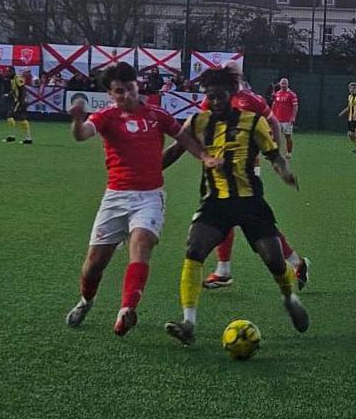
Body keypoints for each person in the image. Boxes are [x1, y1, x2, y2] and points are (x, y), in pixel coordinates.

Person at [64, 62, 218, 337]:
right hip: (115, 197)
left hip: (149, 197)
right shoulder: (106, 116)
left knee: (141, 244)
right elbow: (82, 134)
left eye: (130, 88)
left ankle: (126, 310)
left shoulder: (157, 115)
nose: (126, 95)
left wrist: (205, 157)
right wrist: (76, 119)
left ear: (138, 85)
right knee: (94, 265)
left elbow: (184, 138)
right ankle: (86, 301)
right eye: (119, 91)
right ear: (110, 94)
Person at [164, 66, 310, 346]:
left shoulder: (253, 122)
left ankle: (290, 298)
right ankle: (188, 322)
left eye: (220, 96)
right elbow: (175, 150)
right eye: (210, 97)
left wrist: (285, 171)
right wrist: (147, 172)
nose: (214, 102)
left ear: (231, 94)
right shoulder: (198, 121)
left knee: (274, 259)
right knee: (194, 250)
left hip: (250, 202)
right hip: (215, 202)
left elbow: (274, 156)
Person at [2, 67, 32, 144]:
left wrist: (21, 101)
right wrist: (8, 94)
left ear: (12, 71)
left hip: (19, 101)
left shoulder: (17, 78)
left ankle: (14, 136)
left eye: (8, 72)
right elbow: (14, 90)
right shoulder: (12, 79)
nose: (7, 73)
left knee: (10, 116)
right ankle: (27, 138)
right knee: (21, 119)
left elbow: (23, 89)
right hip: (17, 101)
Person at [271, 78, 299, 159]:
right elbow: (274, 105)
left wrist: (293, 117)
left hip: (287, 120)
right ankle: (275, 153)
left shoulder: (292, 94)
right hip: (277, 119)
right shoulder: (277, 94)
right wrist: (272, 115)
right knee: (275, 137)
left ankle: (289, 153)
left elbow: (295, 107)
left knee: (288, 137)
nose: (283, 85)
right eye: (282, 83)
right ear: (280, 84)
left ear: (287, 84)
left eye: (285, 83)